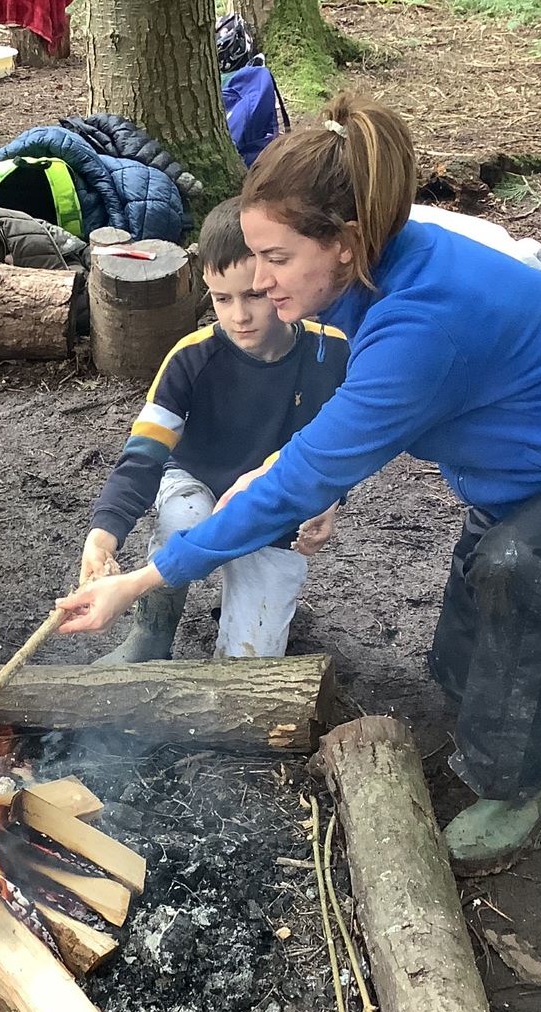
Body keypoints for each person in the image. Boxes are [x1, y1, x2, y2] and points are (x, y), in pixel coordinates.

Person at [58, 93, 541, 874]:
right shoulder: (377, 260)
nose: (262, 282)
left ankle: (520, 794)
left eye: (276, 260)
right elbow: (317, 448)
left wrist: (143, 578)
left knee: (517, 571)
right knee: (465, 670)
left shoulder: (421, 320)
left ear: (345, 242)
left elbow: (309, 474)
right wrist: (278, 467)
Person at [81, 195, 349, 662]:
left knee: (249, 665)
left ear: (275, 281)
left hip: (275, 508)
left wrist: (329, 500)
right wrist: (103, 533)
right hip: (196, 482)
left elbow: (337, 449)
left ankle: (241, 629)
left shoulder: (331, 355)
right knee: (184, 515)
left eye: (254, 296)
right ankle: (151, 633)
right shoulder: (191, 357)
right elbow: (143, 454)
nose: (239, 316)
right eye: (222, 299)